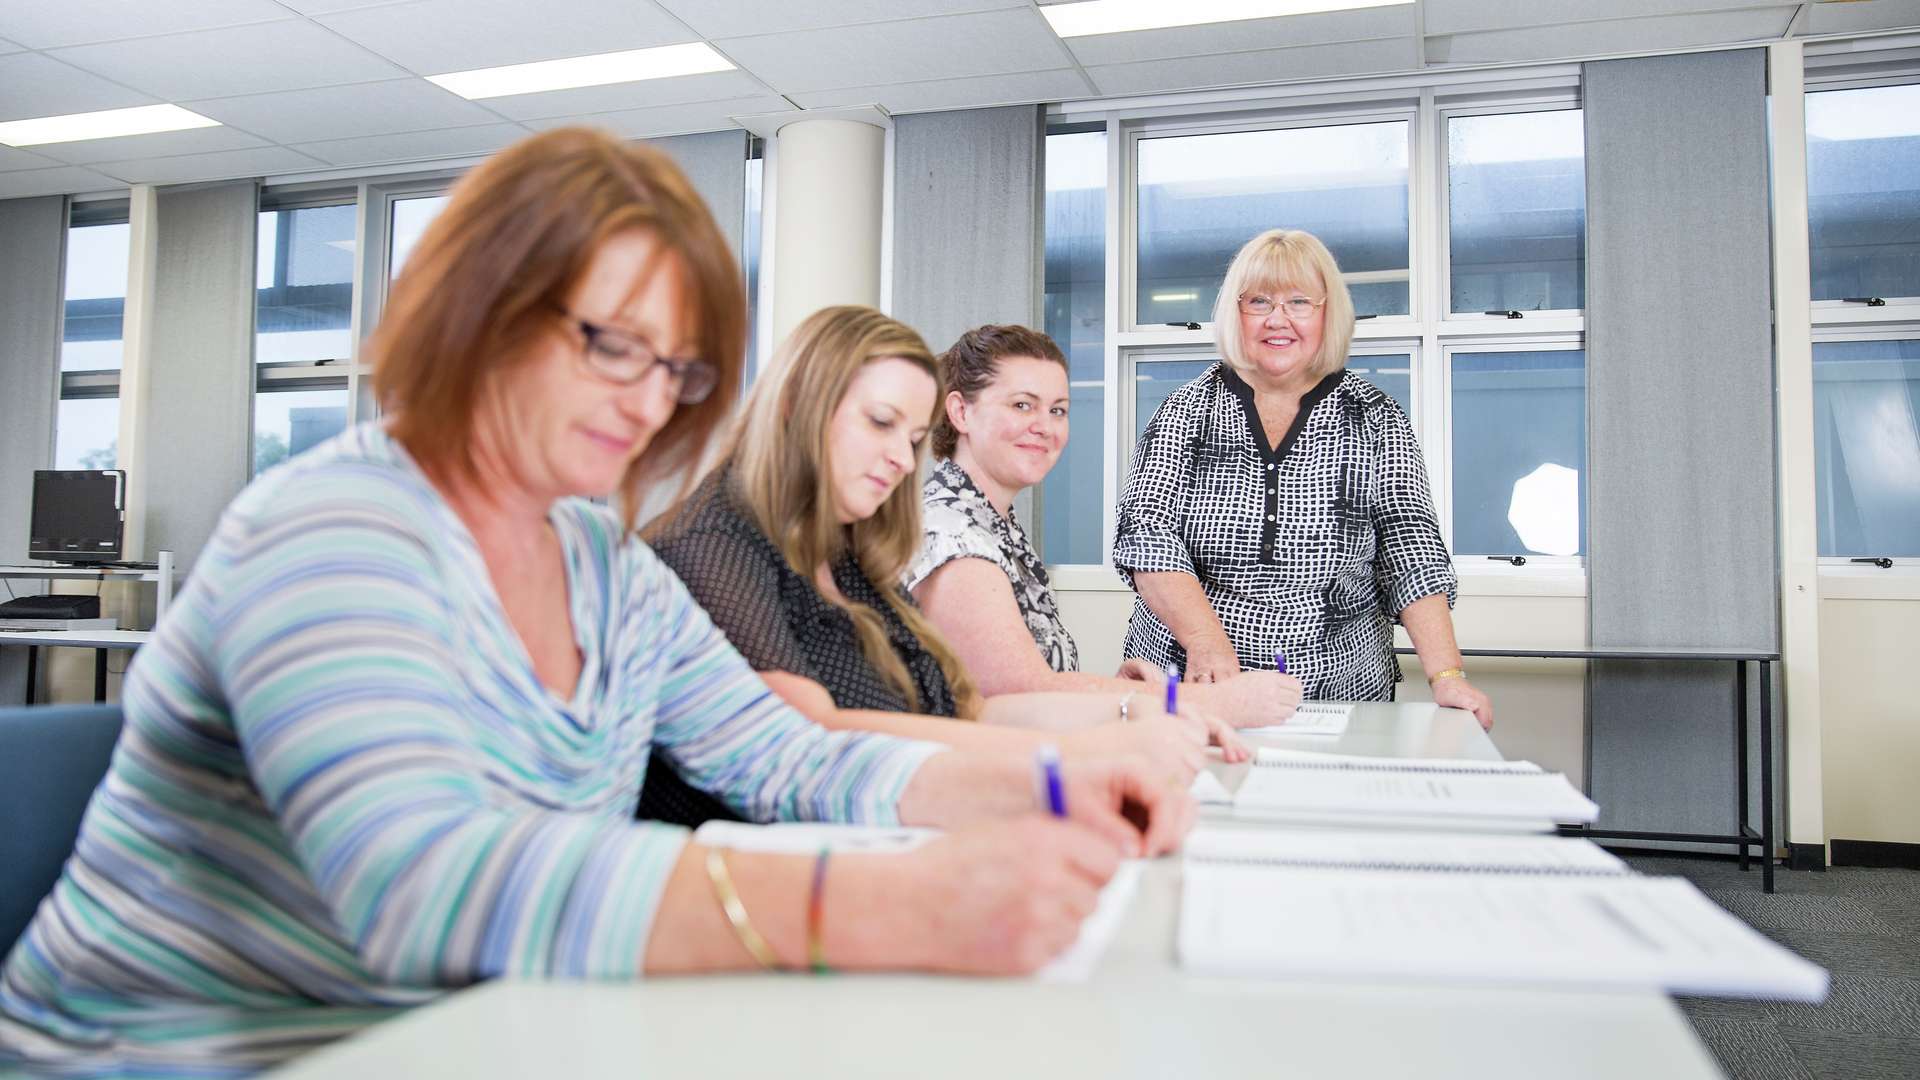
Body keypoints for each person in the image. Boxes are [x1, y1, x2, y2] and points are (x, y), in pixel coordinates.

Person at [0, 129, 1191, 1077]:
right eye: (610, 344)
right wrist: (887, 905)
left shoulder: (601, 561)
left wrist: (1054, 782)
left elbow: (781, 754)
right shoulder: (332, 527)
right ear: (482, 305)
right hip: (185, 1056)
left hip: (467, 1037)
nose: (646, 398)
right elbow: (427, 880)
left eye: (674, 366)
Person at [639, 306, 1237, 827]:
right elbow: (813, 735)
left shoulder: (848, 546)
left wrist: (1144, 713)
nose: (903, 459)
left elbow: (969, 707)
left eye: (914, 436)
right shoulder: (716, 540)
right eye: (880, 423)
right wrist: (1076, 761)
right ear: (798, 407)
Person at [1111, 229, 1493, 729]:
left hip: (1341, 691)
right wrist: (1206, 644)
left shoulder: (1375, 416)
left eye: (1298, 302)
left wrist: (1446, 675)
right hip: (1195, 683)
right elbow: (1147, 538)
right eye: (1260, 302)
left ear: (1326, 313)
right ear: (1236, 313)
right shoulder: (1186, 410)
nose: (1278, 319)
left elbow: (1411, 548)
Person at [907, 324, 1303, 728]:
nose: (1045, 425)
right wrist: (1212, 702)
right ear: (961, 412)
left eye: (1057, 409)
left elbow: (1023, 690)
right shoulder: (951, 531)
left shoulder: (991, 520)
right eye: (1022, 405)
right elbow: (1022, 693)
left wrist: (1113, 693)